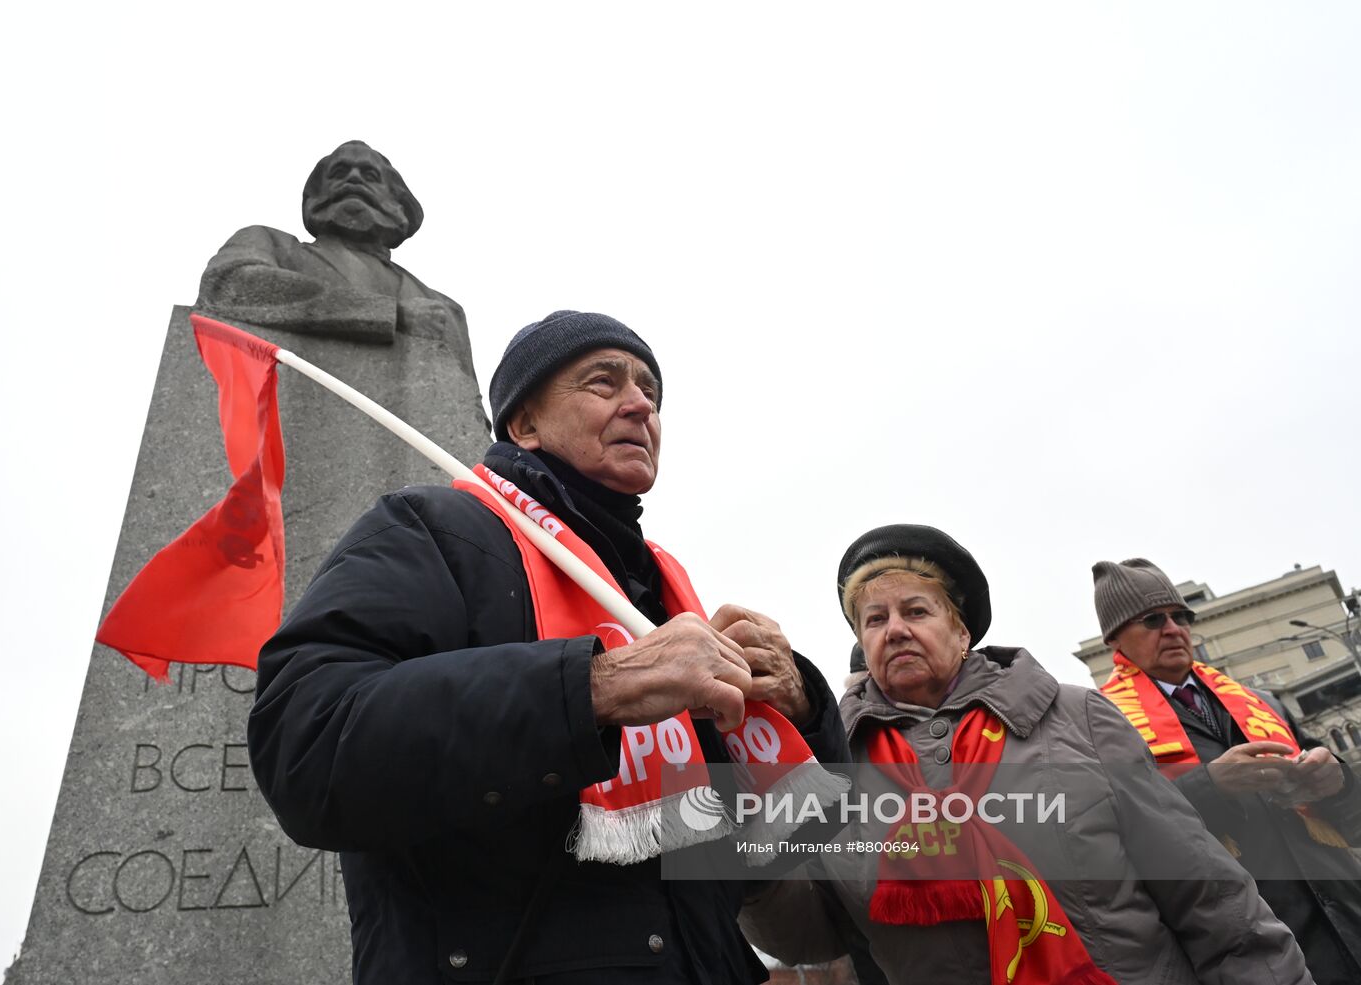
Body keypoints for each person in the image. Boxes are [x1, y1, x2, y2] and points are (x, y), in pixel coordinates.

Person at [248, 310, 848, 984]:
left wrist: (801, 708)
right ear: (524, 423)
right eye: (603, 381)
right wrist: (597, 685)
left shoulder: (662, 592)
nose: (639, 404)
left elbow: (744, 861)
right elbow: (306, 744)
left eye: (651, 390)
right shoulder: (433, 530)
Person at [742, 525, 1314, 984]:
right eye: (875, 619)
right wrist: (749, 856)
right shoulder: (828, 767)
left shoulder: (1077, 719)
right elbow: (809, 937)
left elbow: (1207, 895)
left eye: (916, 611)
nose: (894, 630)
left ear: (962, 631)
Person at [1094, 557, 1361, 985]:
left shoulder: (1262, 702)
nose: (1174, 628)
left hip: (1347, 912)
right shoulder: (1101, 723)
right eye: (1152, 619)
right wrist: (1210, 788)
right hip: (1250, 943)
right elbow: (1116, 833)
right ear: (1115, 638)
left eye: (1181, 616)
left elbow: (1352, 818)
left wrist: (1340, 782)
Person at [198, 139, 472, 360]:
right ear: (315, 197)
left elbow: (470, 417)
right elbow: (226, 287)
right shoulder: (272, 246)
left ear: (398, 206)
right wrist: (392, 315)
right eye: (340, 173)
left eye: (370, 175)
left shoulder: (446, 309)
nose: (353, 179)